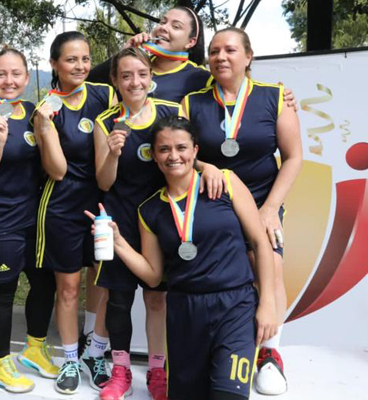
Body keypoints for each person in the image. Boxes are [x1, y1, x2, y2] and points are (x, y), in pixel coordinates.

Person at [90, 115, 277, 400]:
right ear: (153, 155)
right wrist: (119, 244)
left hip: (235, 307)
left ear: (195, 151)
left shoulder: (225, 182)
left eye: (181, 147)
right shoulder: (150, 209)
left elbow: (260, 244)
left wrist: (267, 303)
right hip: (184, 313)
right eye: (164, 149)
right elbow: (153, 275)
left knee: (228, 395)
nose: (173, 156)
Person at [182, 27, 302, 396]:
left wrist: (269, 209)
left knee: (271, 268)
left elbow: (294, 157)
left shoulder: (274, 97)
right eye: (215, 51)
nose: (220, 57)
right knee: (224, 275)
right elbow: (185, 152)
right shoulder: (192, 103)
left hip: (264, 198)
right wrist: (206, 167)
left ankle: (269, 354)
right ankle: (223, 348)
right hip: (216, 200)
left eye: (230, 50)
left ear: (248, 57)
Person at [91, 47, 186, 400]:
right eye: (126, 75)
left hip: (161, 219)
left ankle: (158, 372)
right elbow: (103, 182)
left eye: (142, 74)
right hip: (119, 220)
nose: (135, 81)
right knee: (118, 299)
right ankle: (121, 371)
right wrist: (113, 152)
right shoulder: (106, 123)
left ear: (151, 77)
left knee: (157, 299)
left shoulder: (170, 112)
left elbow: (188, 158)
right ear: (115, 81)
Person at [0, 46, 57, 393]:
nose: (9, 80)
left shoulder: (34, 113)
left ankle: (34, 349)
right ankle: (1, 364)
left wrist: (47, 131)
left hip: (33, 219)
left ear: (27, 78)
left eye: (16, 73)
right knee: (3, 294)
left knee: (45, 284)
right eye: (1, 74)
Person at [32, 31, 116, 394]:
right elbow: (57, 171)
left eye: (85, 58)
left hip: (105, 203)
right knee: (67, 288)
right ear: (54, 64)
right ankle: (69, 358)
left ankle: (94, 351)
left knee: (103, 281)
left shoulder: (106, 95)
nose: (80, 66)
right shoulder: (46, 108)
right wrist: (44, 126)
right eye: (71, 59)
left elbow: (144, 92)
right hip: (62, 205)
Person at [88, 6, 209, 103]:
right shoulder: (133, 67)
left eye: (176, 26)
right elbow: (89, 83)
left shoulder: (200, 78)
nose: (164, 27)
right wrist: (123, 55)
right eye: (162, 22)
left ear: (190, 42)